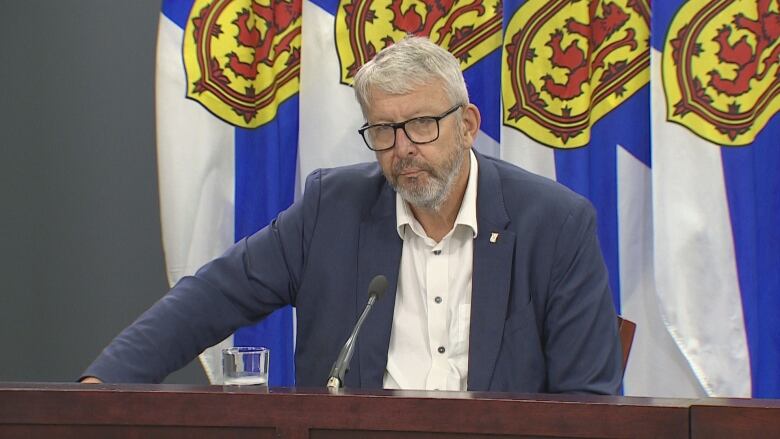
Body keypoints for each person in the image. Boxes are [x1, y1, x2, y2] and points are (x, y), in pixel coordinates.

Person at [82, 36, 621, 394]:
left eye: (423, 124)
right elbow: (211, 296)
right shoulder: (331, 211)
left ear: (468, 124)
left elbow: (589, 402)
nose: (403, 148)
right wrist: (101, 388)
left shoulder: (556, 224)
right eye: (384, 130)